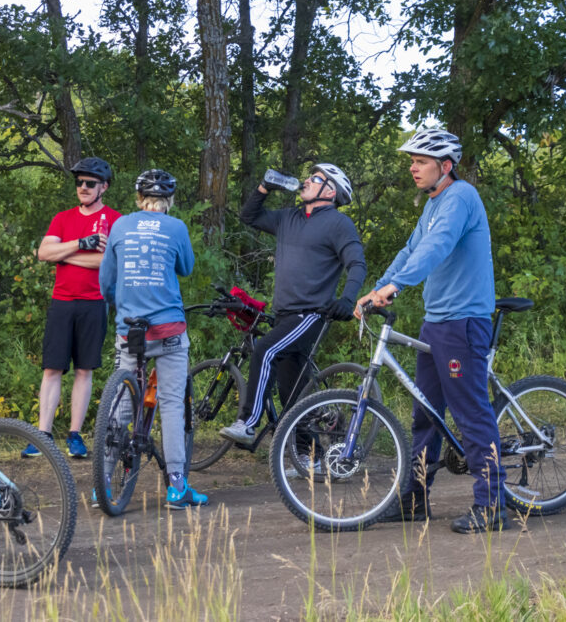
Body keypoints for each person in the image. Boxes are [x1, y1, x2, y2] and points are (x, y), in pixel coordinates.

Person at [354, 128, 508, 534]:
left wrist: (396, 287)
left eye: (421, 161)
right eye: (412, 161)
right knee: (425, 414)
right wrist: (378, 287)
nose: (413, 168)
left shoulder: (461, 197)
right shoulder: (434, 204)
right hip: (437, 321)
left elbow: (436, 246)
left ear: (446, 166)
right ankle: (415, 501)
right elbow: (411, 249)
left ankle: (492, 505)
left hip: (463, 320)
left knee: (470, 412)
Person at [219, 163, 366, 448]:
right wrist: (265, 187)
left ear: (330, 191)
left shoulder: (338, 224)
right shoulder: (289, 217)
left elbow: (357, 264)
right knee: (292, 394)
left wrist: (347, 300)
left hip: (311, 314)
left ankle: (248, 424)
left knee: (265, 350)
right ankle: (311, 455)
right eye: (309, 177)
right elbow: (249, 216)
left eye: (316, 178)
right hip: (284, 314)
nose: (307, 181)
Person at [98, 169, 206, 508]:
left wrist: (120, 304)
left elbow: (106, 281)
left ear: (138, 198)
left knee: (122, 403)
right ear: (169, 200)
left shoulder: (120, 225)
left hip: (130, 329)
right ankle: (176, 486)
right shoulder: (176, 227)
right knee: (172, 403)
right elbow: (186, 268)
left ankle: (103, 483)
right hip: (169, 328)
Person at [22, 157, 121, 459]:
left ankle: (74, 435)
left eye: (90, 183)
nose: (83, 187)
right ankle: (43, 435)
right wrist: (80, 243)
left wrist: (63, 255)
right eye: (79, 182)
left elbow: (108, 261)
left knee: (83, 370)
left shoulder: (115, 220)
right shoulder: (63, 218)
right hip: (62, 302)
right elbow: (43, 253)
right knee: (52, 368)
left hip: (94, 303)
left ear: (104, 187)